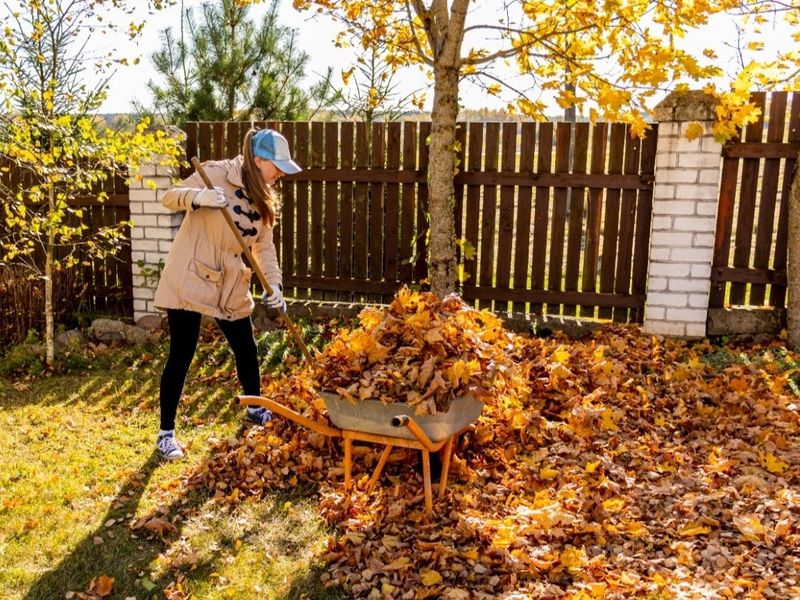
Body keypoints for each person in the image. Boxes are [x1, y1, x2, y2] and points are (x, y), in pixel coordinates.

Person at [152, 128, 302, 460]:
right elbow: (169, 196)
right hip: (191, 275)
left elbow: (265, 247)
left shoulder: (263, 194)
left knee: (245, 348)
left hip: (230, 283)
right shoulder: (216, 173)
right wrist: (199, 198)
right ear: (258, 160)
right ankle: (166, 435)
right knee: (182, 353)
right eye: (276, 166)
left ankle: (253, 407)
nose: (280, 173)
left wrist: (274, 285)